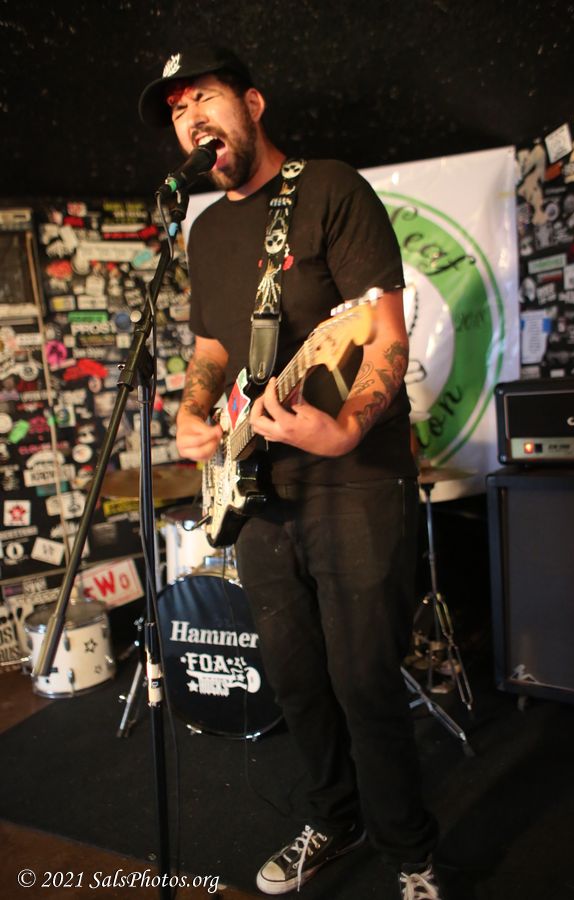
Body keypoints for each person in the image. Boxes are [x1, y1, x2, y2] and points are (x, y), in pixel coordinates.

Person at [138, 44, 442, 899]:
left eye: (204, 98)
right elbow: (213, 347)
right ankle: (333, 820)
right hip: (259, 490)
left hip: (354, 478)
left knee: (363, 682)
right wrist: (195, 410)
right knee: (299, 681)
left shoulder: (331, 189)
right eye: (176, 111)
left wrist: (344, 428)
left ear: (253, 104)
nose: (190, 120)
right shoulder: (204, 228)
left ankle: (411, 853)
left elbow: (383, 335)